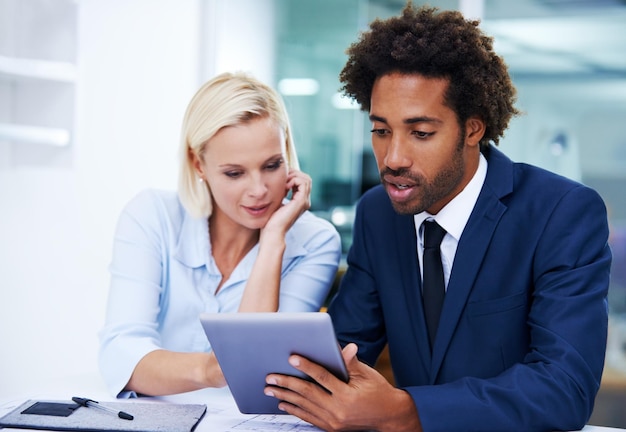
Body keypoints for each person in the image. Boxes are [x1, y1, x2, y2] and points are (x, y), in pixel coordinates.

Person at [264, 4, 612, 431]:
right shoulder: (378, 213)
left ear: (473, 128)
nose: (392, 158)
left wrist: (407, 410)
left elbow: (564, 390)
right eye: (381, 130)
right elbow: (344, 348)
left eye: (421, 133)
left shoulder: (561, 213)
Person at [99, 72, 342, 398]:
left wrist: (272, 241)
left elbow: (262, 366)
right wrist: (212, 369)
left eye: (271, 166)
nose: (259, 190)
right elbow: (121, 354)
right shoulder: (151, 216)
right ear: (198, 164)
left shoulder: (315, 242)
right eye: (234, 173)